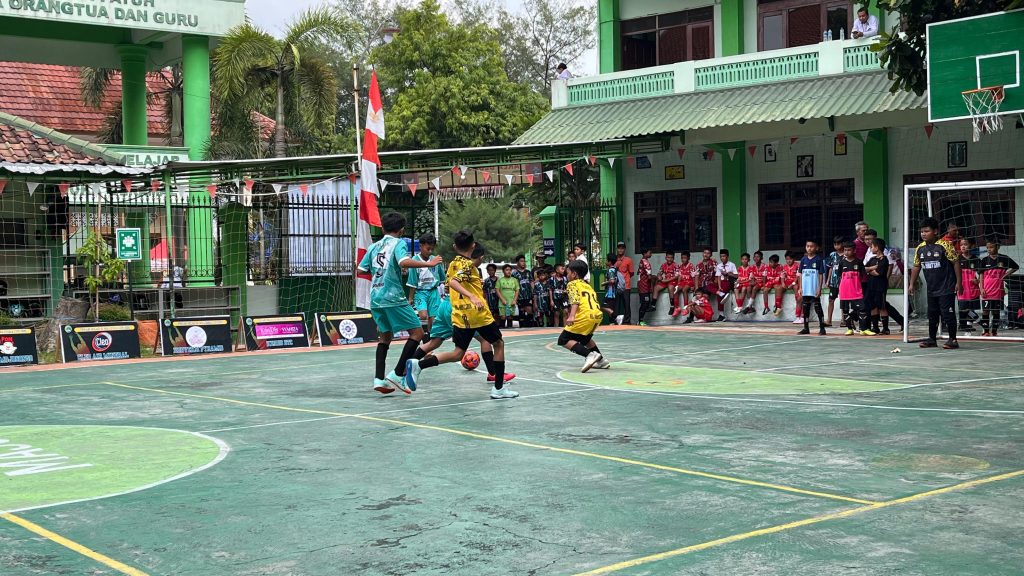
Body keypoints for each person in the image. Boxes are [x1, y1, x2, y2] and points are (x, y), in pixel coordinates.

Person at [405, 232, 517, 399]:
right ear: (473, 246)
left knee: (458, 353)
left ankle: (419, 365)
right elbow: (454, 282)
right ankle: (499, 388)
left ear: (454, 247)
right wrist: (472, 295)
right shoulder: (468, 266)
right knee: (498, 344)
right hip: (478, 314)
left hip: (460, 315)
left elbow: (451, 282)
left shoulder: (452, 264)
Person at [357, 212, 443, 395]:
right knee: (418, 332)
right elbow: (404, 261)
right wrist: (429, 264)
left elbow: (361, 269)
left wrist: (379, 273)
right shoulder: (399, 243)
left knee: (385, 338)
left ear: (382, 228)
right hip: (393, 297)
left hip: (376, 298)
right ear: (402, 230)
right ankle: (397, 373)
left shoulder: (373, 246)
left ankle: (379, 379)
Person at [908, 217, 962, 349]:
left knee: (947, 314)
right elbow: (916, 266)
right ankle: (932, 339)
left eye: (926, 231)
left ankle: (953, 340)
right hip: (931, 288)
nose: (923, 234)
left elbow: (956, 263)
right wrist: (911, 284)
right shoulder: (920, 248)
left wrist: (959, 282)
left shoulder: (945, 245)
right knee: (932, 314)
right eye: (922, 231)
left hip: (947, 287)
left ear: (935, 231)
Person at [560, 259, 609, 372]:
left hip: (585, 315)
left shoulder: (572, 284)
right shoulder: (587, 286)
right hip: (596, 315)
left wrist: (572, 316)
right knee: (585, 339)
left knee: (563, 339)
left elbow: (575, 300)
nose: (567, 276)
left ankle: (589, 355)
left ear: (574, 274)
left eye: (568, 273)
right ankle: (601, 361)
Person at [406, 233, 446, 337]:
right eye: (428, 249)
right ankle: (420, 333)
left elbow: (442, 278)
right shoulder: (414, 261)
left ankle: (428, 338)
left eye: (432, 249)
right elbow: (412, 282)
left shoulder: (436, 260)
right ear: (421, 246)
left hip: (433, 292)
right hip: (421, 292)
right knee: (423, 315)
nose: (430, 251)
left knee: (433, 320)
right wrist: (410, 298)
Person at [977, 238, 1019, 337]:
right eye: (987, 247)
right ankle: (986, 331)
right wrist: (981, 288)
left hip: (998, 290)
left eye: (991, 247)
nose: (989, 249)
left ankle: (994, 331)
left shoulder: (1004, 258)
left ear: (998, 247)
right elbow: (981, 276)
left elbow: (1015, 267)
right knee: (985, 311)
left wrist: (1006, 275)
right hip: (986, 290)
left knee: (996, 311)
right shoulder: (984, 260)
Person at [836, 241, 874, 336]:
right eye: (845, 250)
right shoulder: (841, 262)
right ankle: (849, 329)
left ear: (854, 251)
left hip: (856, 290)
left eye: (849, 250)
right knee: (845, 311)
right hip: (844, 291)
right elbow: (839, 275)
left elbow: (862, 275)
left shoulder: (859, 262)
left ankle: (863, 329)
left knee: (862, 309)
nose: (846, 252)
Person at [798, 240, 828, 335]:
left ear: (816, 248)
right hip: (805, 289)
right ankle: (806, 328)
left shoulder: (818, 259)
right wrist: (800, 287)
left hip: (814, 288)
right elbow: (800, 275)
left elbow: (820, 275)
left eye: (811, 246)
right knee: (805, 308)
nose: (809, 248)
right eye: (807, 246)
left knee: (817, 307)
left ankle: (822, 328)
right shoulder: (803, 260)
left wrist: (819, 288)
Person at [864, 238, 891, 334]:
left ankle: (886, 328)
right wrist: (871, 269)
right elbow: (864, 269)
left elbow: (878, 273)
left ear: (877, 247)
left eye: (872, 246)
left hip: (880, 286)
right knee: (872, 306)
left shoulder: (884, 259)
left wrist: (870, 271)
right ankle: (875, 327)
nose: (871, 248)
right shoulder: (872, 259)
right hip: (871, 285)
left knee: (882, 306)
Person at [956, 238, 981, 333]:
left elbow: (981, 274)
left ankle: (968, 325)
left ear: (970, 246)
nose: (963, 246)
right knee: (963, 308)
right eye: (961, 244)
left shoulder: (976, 259)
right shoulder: (957, 259)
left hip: (972, 287)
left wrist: (977, 280)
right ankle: (962, 325)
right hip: (962, 287)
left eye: (965, 244)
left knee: (971, 307)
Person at [652, 251, 681, 316]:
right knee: (656, 287)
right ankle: (653, 305)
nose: (670, 259)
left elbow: (676, 276)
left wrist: (666, 280)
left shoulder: (676, 265)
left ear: (673, 258)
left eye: (671, 258)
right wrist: (659, 276)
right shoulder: (663, 265)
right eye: (668, 257)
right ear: (666, 257)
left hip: (672, 280)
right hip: (665, 281)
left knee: (670, 288)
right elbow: (659, 272)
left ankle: (672, 306)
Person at [824, 236, 844, 326]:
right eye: (835, 244)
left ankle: (844, 320)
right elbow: (831, 268)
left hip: (843, 282)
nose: (837, 246)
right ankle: (829, 320)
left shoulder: (846, 255)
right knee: (831, 300)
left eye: (838, 244)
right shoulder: (832, 255)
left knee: (843, 300)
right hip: (833, 282)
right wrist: (828, 280)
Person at [714, 249, 738, 321]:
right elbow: (718, 277)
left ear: (727, 257)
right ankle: (721, 315)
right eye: (721, 256)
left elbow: (736, 276)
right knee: (714, 290)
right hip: (721, 282)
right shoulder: (719, 266)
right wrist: (719, 286)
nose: (722, 258)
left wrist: (728, 273)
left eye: (724, 256)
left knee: (721, 293)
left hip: (729, 282)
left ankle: (725, 293)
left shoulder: (732, 265)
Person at [614, 242, 635, 324]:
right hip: (616, 285)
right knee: (616, 304)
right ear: (617, 249)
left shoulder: (628, 260)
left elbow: (631, 273)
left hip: (626, 285)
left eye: (622, 248)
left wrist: (624, 279)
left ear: (625, 249)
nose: (620, 250)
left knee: (626, 304)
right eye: (619, 248)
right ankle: (616, 320)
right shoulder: (614, 259)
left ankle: (627, 321)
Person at [602, 254, 625, 324]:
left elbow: (612, 281)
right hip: (614, 293)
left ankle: (616, 317)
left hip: (610, 293)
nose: (606, 261)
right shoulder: (615, 269)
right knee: (611, 308)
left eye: (607, 260)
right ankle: (612, 322)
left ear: (610, 262)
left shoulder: (611, 270)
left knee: (601, 305)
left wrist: (604, 283)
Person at [512, 254, 534, 328]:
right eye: (521, 261)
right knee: (521, 314)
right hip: (519, 296)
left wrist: (533, 292)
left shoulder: (528, 272)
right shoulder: (514, 273)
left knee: (530, 312)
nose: (523, 263)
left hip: (528, 295)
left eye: (524, 261)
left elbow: (531, 282)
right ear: (517, 262)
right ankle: (522, 329)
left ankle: (530, 328)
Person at [783, 251, 803, 324]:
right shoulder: (784, 266)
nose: (788, 261)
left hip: (797, 283)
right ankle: (778, 306)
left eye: (790, 259)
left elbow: (798, 276)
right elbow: (782, 276)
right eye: (787, 259)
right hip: (789, 282)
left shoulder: (798, 265)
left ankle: (801, 316)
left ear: (794, 259)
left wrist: (793, 283)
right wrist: (783, 283)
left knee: (796, 289)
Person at [496, 264, 518, 328]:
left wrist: (514, 300)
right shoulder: (500, 280)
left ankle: (510, 331)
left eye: (510, 270)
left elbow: (517, 291)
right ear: (503, 271)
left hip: (511, 302)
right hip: (502, 303)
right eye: (507, 270)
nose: (508, 271)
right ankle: (503, 331)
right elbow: (497, 290)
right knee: (503, 317)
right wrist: (502, 299)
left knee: (510, 317)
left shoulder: (514, 280)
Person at [636, 248, 653, 326]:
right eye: (650, 252)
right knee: (645, 303)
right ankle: (640, 320)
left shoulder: (641, 261)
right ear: (645, 253)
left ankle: (640, 320)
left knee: (645, 302)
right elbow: (649, 277)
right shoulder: (645, 262)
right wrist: (654, 279)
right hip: (644, 285)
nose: (651, 254)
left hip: (642, 285)